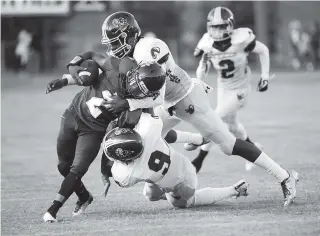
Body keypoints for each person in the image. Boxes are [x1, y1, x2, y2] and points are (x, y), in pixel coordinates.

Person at [67, 11, 299, 207]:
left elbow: (156, 96)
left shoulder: (147, 48)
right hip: (168, 102)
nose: (113, 48)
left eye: (116, 41)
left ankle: (285, 177)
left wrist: (127, 104)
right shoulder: (132, 55)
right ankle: (178, 162)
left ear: (129, 36)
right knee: (150, 133)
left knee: (228, 145)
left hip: (186, 100)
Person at [43, 59, 166, 222]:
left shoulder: (135, 109)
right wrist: (64, 80)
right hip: (73, 114)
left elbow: (114, 136)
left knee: (77, 168)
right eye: (139, 83)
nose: (138, 88)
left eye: (144, 89)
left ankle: (53, 210)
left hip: (92, 131)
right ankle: (84, 196)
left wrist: (104, 169)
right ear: (134, 74)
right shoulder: (115, 70)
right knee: (63, 166)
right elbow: (88, 75)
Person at [176, 6, 270, 172]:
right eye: (214, 27)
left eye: (221, 26)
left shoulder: (241, 39)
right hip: (223, 88)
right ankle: (254, 150)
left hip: (240, 89)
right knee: (232, 127)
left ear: (230, 25)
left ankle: (198, 159)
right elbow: (201, 76)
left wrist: (265, 76)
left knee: (215, 119)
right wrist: (203, 64)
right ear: (209, 27)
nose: (218, 31)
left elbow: (263, 50)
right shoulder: (207, 43)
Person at [101, 109, 250, 209]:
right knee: (150, 194)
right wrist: (196, 138)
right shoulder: (148, 132)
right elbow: (167, 133)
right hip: (181, 165)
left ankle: (234, 190)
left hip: (181, 182)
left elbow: (118, 172)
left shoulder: (127, 173)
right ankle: (169, 191)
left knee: (184, 202)